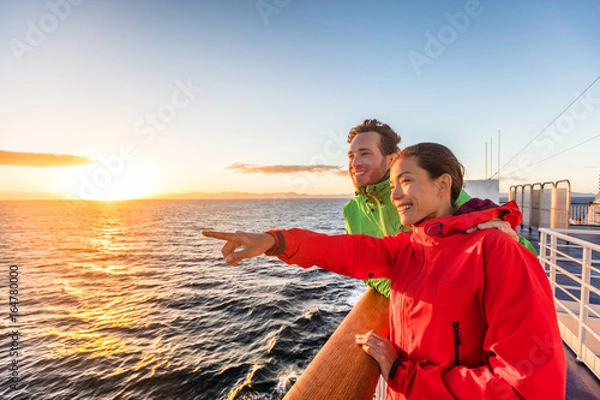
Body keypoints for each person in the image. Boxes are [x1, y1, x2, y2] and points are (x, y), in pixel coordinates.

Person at [203, 143, 566, 399]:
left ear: (443, 185)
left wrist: (400, 374)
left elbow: (527, 388)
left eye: (405, 181)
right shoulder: (410, 246)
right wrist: (274, 241)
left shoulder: (495, 250)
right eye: (391, 185)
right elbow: (346, 250)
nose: (394, 195)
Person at [343, 119, 536, 298]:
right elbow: (363, 266)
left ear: (391, 159)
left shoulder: (429, 191)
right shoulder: (351, 212)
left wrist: (512, 240)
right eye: (351, 156)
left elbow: (522, 255)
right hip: (411, 311)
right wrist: (399, 293)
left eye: (365, 153)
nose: (355, 163)